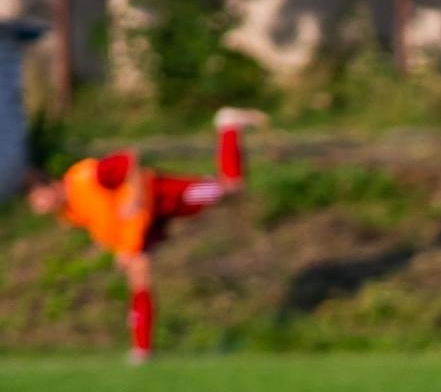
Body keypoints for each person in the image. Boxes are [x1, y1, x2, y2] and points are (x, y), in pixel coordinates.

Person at [26, 107, 266, 363]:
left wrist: (137, 197)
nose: (42, 208)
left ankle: (227, 126)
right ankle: (142, 349)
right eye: (37, 207)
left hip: (157, 196)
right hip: (140, 226)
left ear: (50, 186)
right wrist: (120, 249)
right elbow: (107, 221)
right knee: (138, 274)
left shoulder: (86, 177)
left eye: (41, 200)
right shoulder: (69, 212)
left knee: (231, 188)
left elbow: (129, 160)